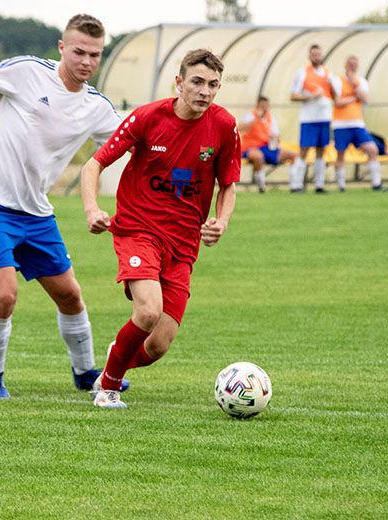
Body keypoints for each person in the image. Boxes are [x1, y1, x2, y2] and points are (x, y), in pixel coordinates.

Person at [0, 14, 130, 398]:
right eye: (79, 51)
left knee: (69, 295)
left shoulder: (96, 107)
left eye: (95, 55)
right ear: (62, 47)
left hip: (36, 212)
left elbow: (132, 141)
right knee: (4, 295)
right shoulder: (28, 72)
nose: (86, 61)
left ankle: (86, 374)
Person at [80, 49, 241, 408]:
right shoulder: (147, 118)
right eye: (197, 82)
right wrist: (92, 208)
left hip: (183, 244)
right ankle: (107, 388)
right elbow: (94, 164)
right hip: (138, 230)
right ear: (179, 82)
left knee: (156, 346)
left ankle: (115, 358)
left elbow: (228, 184)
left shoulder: (224, 125)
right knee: (148, 311)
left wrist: (221, 221)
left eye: (213, 85)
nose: (205, 91)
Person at [331, 55, 385, 191]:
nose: (352, 66)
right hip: (341, 124)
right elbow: (337, 102)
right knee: (341, 154)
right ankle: (341, 185)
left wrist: (355, 87)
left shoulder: (361, 82)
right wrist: (354, 98)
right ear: (345, 65)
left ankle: (376, 183)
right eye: (350, 63)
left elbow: (365, 99)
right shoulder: (338, 81)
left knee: (372, 149)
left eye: (355, 64)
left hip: (357, 124)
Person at [289, 44, 336, 193]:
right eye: (314, 54)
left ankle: (319, 185)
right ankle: (296, 185)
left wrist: (332, 86)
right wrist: (310, 97)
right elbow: (293, 96)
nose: (316, 57)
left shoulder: (329, 74)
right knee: (304, 150)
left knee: (321, 151)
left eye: (318, 54)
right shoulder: (302, 73)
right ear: (309, 56)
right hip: (309, 119)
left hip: (324, 118)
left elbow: (335, 96)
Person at [238, 96, 296, 193]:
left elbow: (277, 136)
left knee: (293, 155)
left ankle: (295, 185)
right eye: (262, 105)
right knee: (259, 157)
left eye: (266, 105)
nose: (264, 108)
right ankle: (261, 186)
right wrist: (256, 118)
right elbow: (240, 127)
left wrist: (275, 138)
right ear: (258, 106)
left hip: (268, 147)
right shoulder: (251, 115)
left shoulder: (271, 118)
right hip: (251, 147)